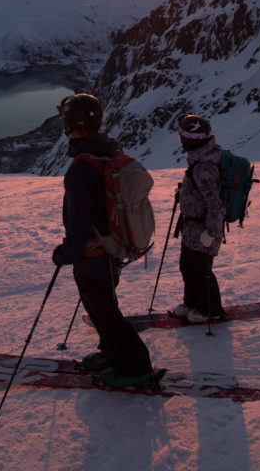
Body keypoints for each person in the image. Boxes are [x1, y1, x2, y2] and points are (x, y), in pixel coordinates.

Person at [51, 93, 156, 388]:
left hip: (93, 256)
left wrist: (67, 253)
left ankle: (136, 368)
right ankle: (111, 352)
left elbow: (79, 222)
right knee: (103, 308)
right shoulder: (107, 152)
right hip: (111, 250)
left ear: (69, 124)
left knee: (106, 314)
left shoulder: (81, 169)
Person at [170, 113, 229, 323]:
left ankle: (211, 310)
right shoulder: (200, 160)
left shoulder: (203, 167)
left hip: (203, 230)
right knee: (188, 267)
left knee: (202, 270)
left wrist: (211, 233)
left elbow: (215, 206)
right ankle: (192, 304)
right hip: (192, 229)